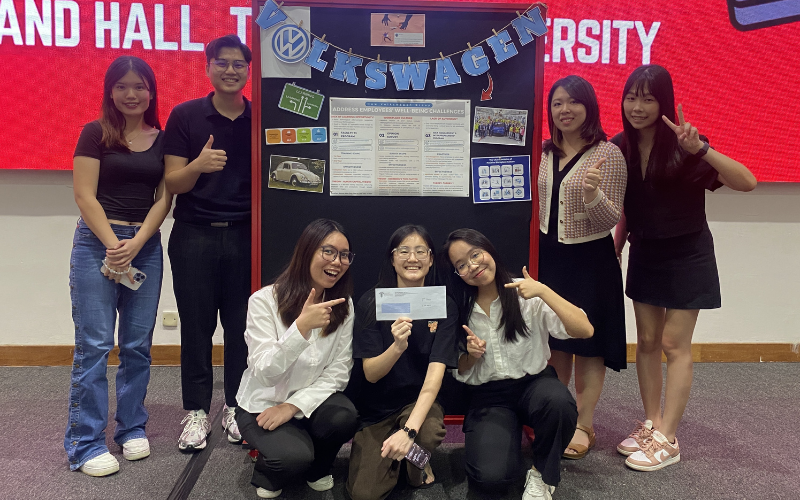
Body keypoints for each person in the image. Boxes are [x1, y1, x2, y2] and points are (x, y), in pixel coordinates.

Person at [612, 64, 757, 471]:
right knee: (646, 342)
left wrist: (702, 150)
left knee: (674, 345)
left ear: (664, 103)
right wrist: (617, 246)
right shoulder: (620, 145)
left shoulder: (684, 146)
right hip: (646, 253)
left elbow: (747, 181)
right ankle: (652, 424)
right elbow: (629, 207)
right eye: (631, 97)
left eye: (648, 99)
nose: (637, 107)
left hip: (687, 254)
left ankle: (669, 438)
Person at [67, 56, 171, 476]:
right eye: (123, 86)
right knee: (94, 345)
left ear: (151, 92)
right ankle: (85, 443)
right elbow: (84, 195)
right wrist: (115, 246)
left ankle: (131, 428)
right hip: (97, 244)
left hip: (144, 245)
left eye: (140, 86)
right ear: (110, 91)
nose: (132, 94)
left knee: (137, 345)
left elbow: (164, 198)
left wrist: (137, 243)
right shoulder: (95, 133)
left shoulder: (163, 139)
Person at [444, 229, 593, 500]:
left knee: (558, 403)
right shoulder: (459, 306)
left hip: (534, 384)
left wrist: (543, 291)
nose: (472, 266)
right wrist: (471, 356)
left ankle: (541, 473)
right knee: (490, 477)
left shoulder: (526, 291)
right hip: (489, 397)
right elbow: (459, 370)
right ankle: (508, 448)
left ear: (489, 250)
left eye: (475, 254)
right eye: (461, 265)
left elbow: (585, 330)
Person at [164, 34, 253, 450]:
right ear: (208, 67)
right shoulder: (185, 115)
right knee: (196, 328)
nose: (230, 70)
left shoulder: (260, 117)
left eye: (238, 64)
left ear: (248, 70)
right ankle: (196, 412)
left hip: (245, 237)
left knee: (242, 328)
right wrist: (198, 165)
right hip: (194, 235)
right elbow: (173, 182)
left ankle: (235, 406)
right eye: (222, 63)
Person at [235, 219, 359, 499]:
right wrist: (300, 329)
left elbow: (339, 371)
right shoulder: (264, 301)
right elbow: (264, 372)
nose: (337, 262)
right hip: (263, 405)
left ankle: (318, 468)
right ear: (307, 251)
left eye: (344, 255)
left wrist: (293, 406)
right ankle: (269, 470)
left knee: (344, 417)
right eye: (328, 251)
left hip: (310, 402)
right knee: (291, 458)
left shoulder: (343, 305)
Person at [537, 75, 627, 460]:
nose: (565, 110)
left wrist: (591, 194)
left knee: (589, 346)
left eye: (574, 102)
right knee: (556, 343)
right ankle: (557, 417)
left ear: (589, 106)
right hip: (550, 260)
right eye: (558, 103)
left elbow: (610, 219)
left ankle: (584, 424)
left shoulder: (608, 154)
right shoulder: (543, 152)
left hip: (591, 261)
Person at [347, 225, 459, 500]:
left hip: (420, 403)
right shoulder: (372, 302)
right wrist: (397, 347)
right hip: (378, 408)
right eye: (404, 251)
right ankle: (402, 457)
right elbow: (371, 374)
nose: (412, 258)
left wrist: (409, 431)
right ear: (392, 258)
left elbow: (435, 376)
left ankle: (415, 461)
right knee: (363, 494)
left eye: (421, 251)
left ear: (430, 259)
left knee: (427, 432)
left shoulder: (443, 304)